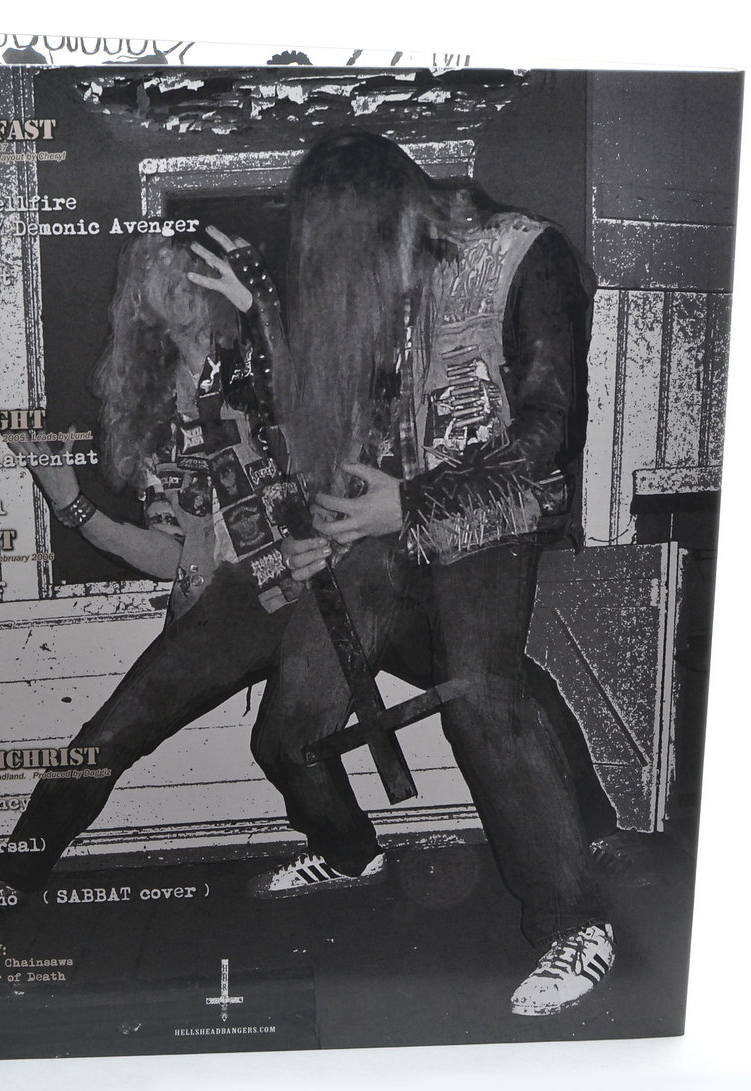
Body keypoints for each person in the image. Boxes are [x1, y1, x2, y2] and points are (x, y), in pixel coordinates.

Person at [245, 131, 617, 1016]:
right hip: (383, 521)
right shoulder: (378, 272)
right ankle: (347, 850)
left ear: (394, 215)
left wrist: (410, 503)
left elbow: (550, 434)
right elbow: (355, 430)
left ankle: (575, 922)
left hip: (490, 514)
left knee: (479, 693)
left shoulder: (525, 253)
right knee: (289, 724)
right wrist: (326, 525)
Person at [0, 231, 308, 893]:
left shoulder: (259, 367)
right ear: (142, 303)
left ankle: (349, 847)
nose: (175, 288)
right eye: (157, 278)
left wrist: (259, 310)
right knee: (106, 738)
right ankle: (12, 874)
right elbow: (170, 557)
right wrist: (72, 504)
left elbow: (312, 417)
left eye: (189, 273)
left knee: (290, 742)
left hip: (321, 579)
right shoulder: (155, 413)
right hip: (232, 602)